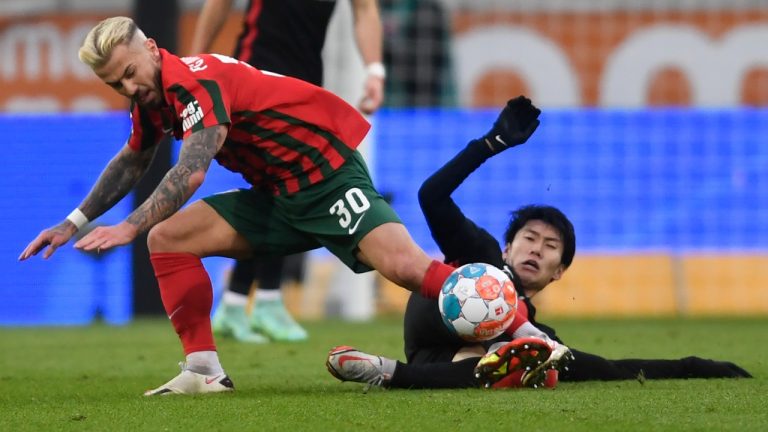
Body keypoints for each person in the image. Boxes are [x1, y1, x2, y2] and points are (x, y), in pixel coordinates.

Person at [19, 17, 553, 396]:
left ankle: (527, 331)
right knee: (170, 239)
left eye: (131, 72)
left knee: (409, 269)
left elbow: (192, 169)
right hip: (278, 194)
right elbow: (134, 160)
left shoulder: (195, 81)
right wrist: (74, 222)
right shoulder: (153, 96)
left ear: (153, 48)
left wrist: (129, 226)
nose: (130, 87)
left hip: (325, 176)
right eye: (116, 84)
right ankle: (204, 370)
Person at [326, 96, 753, 390]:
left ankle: (382, 371)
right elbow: (431, 195)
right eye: (529, 238)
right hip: (428, 338)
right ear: (510, 247)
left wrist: (692, 367)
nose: (536, 248)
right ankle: (395, 373)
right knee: (526, 354)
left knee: (537, 360)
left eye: (551, 247)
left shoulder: (536, 333)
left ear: (559, 271)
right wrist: (490, 144)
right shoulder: (483, 255)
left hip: (455, 364)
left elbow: (608, 369)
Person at [188, 0, 386, 342]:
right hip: (257, 68)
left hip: (306, 74)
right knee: (281, 180)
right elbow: (220, 3)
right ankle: (257, 299)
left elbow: (365, 10)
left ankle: (246, 301)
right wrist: (191, 65)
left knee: (284, 183)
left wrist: (374, 70)